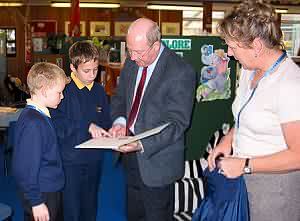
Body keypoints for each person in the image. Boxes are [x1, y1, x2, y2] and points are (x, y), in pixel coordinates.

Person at [208, 1, 300, 220]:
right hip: (242, 179)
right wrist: (228, 141)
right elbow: (243, 118)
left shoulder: (289, 84)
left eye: (233, 46)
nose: (229, 53)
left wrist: (246, 165)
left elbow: (298, 155)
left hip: (274, 190)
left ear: (257, 46)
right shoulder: (250, 70)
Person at [109, 18, 196, 221]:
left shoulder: (180, 71)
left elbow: (177, 123)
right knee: (134, 214)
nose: (132, 57)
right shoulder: (132, 62)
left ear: (156, 45)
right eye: (129, 50)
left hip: (158, 161)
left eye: (138, 52)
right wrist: (120, 122)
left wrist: (141, 143)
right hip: (130, 156)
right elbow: (120, 97)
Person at [49, 40, 112, 221]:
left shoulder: (99, 91)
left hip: (94, 160)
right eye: (86, 71)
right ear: (73, 67)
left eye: (95, 69)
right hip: (71, 161)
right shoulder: (63, 91)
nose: (92, 75)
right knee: (71, 210)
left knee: (90, 207)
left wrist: (111, 130)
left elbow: (105, 120)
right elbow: (57, 124)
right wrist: (87, 126)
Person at [12, 62, 69, 221]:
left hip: (49, 189)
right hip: (42, 194)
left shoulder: (39, 115)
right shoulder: (34, 123)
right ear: (44, 91)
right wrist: (36, 202)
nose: (62, 96)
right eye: (59, 92)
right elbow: (24, 167)